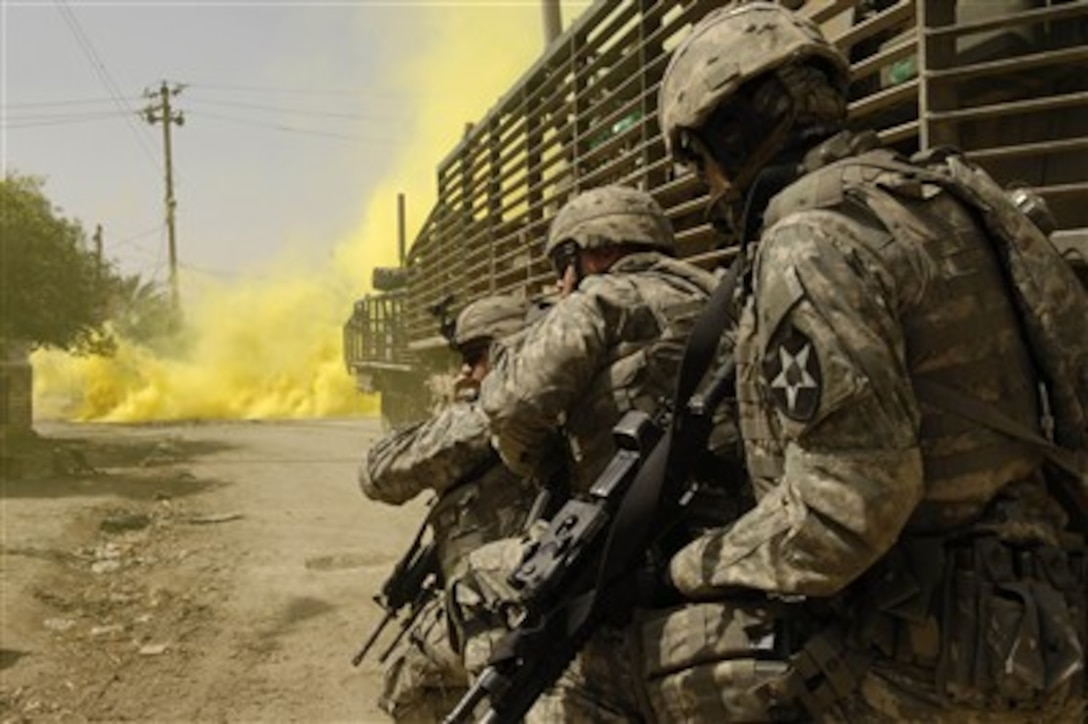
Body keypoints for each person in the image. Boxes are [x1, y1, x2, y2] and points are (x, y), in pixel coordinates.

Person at [655, 2, 1087, 722]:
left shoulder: (811, 241)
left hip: (933, 665)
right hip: (1053, 629)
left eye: (698, 162)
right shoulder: (958, 199)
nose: (708, 187)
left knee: (606, 668)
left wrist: (691, 565)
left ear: (732, 135)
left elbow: (847, 513)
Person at [478, 184, 737, 722]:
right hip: (728, 543)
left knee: (481, 585)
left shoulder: (602, 301)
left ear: (584, 254)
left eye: (561, 263)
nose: (558, 281)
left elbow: (509, 408)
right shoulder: (728, 297)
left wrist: (539, 465)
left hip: (626, 551)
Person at [358, 294, 537, 723]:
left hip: (504, 609)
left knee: (409, 686)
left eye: (476, 357)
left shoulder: (488, 418)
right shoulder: (578, 403)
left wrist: (459, 411)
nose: (465, 370)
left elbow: (378, 473)